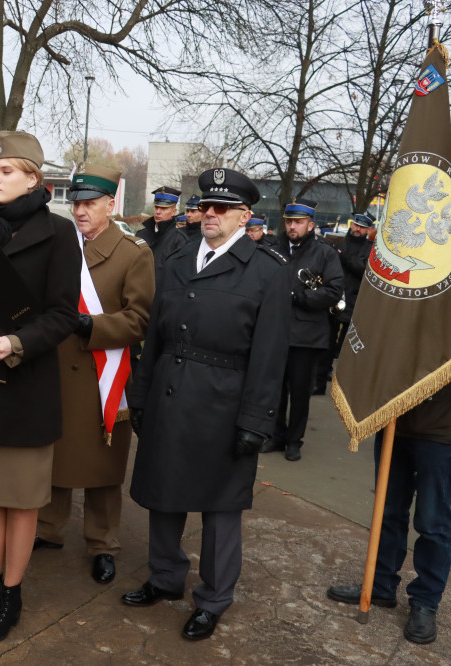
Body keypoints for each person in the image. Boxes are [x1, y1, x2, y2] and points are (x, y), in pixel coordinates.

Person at [122, 168, 290, 641]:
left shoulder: (266, 271)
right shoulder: (175, 259)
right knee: (163, 492)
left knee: (219, 508)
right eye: (205, 206)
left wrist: (257, 420)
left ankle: (214, 598)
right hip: (170, 394)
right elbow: (154, 336)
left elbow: (270, 355)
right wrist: (140, 394)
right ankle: (165, 577)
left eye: (221, 208)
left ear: (244, 216)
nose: (209, 215)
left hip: (224, 405)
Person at [327, 197, 451, 645]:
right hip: (395, 413)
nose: (433, 235)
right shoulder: (413, 274)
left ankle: (424, 602)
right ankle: (379, 587)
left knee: (433, 521)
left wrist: (433, 343)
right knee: (389, 509)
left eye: (445, 228)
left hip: (445, 428)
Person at [0, 131, 80, 644]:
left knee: (21, 498)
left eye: (5, 171)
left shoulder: (59, 233)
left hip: (24, 381)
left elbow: (65, 314)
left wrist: (17, 342)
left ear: (33, 178)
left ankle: (11, 590)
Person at [34, 162, 154, 585]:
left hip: (103, 372)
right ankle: (48, 527)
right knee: (57, 454)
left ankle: (103, 543)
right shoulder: (63, 243)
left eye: (90, 203)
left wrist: (91, 326)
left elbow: (139, 320)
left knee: (103, 465)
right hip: (58, 369)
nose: (80, 211)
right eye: (77, 203)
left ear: (110, 204)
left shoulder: (133, 253)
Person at [261, 199, 343, 461]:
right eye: (288, 221)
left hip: (306, 337)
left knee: (299, 393)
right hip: (275, 330)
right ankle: (275, 435)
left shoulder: (325, 253)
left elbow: (333, 291)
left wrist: (298, 297)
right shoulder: (272, 247)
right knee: (274, 390)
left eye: (298, 222)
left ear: (310, 224)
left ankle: (294, 441)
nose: (292, 226)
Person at [314, 214, 372, 395]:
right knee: (327, 345)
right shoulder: (338, 242)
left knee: (350, 347)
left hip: (355, 302)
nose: (357, 229)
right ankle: (320, 382)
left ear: (368, 230)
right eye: (355, 225)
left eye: (362, 227)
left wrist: (344, 257)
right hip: (334, 299)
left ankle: (346, 387)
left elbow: (364, 270)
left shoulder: (370, 248)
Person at [136, 186, 187, 273]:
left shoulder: (179, 240)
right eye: (156, 207)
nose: (158, 212)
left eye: (164, 208)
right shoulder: (141, 235)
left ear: (174, 212)